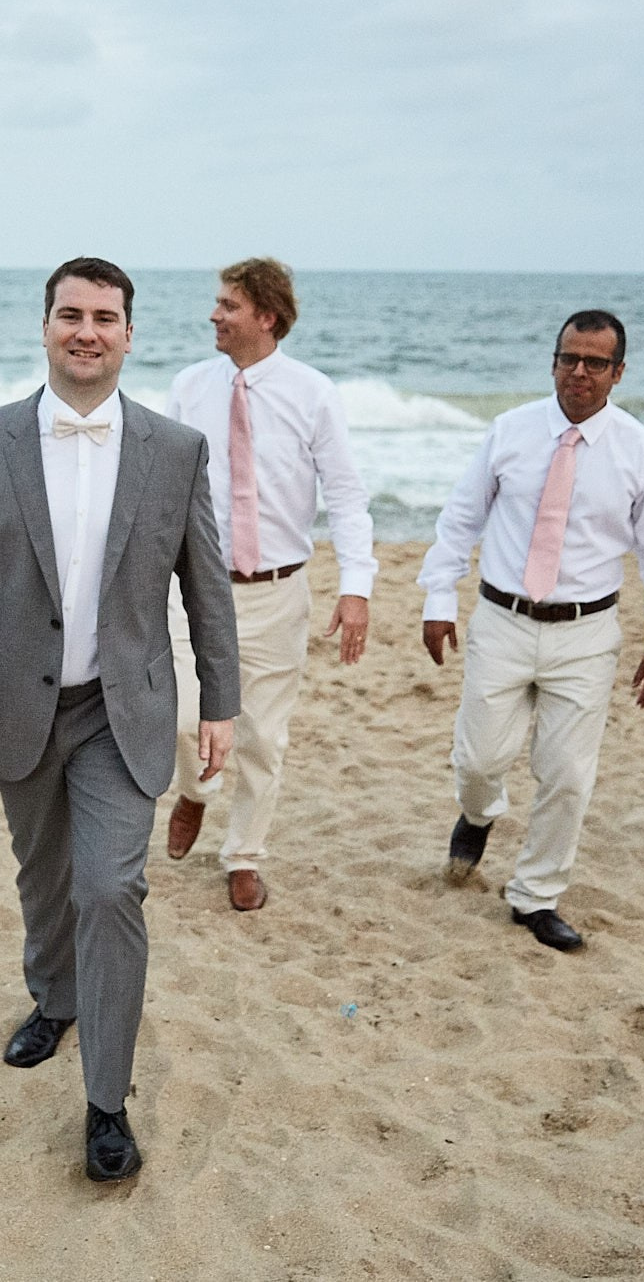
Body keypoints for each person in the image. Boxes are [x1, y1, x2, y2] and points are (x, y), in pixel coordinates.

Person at [0, 258, 240, 1182]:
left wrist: (223, 704)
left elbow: (207, 591)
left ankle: (106, 1102)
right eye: (70, 315)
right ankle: (53, 995)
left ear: (130, 335)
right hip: (12, 702)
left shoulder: (177, 449)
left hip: (123, 710)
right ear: (44, 328)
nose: (88, 330)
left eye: (106, 317)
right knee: (44, 877)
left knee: (110, 887)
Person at [418, 310, 644, 951]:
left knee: (567, 774)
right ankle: (479, 813)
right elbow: (461, 520)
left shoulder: (637, 449)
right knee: (480, 759)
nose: (580, 372)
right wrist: (438, 596)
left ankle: (536, 897)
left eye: (596, 363)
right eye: (569, 358)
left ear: (618, 373)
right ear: (554, 361)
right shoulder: (509, 432)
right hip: (503, 620)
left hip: (586, 633)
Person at [164, 257, 375, 910]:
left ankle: (244, 855)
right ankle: (195, 791)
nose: (214, 315)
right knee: (182, 717)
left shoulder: (313, 392)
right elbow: (163, 489)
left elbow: (344, 493)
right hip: (195, 587)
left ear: (266, 315)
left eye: (228, 304)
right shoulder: (189, 386)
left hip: (279, 590)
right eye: (217, 302)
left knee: (261, 734)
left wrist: (357, 584)